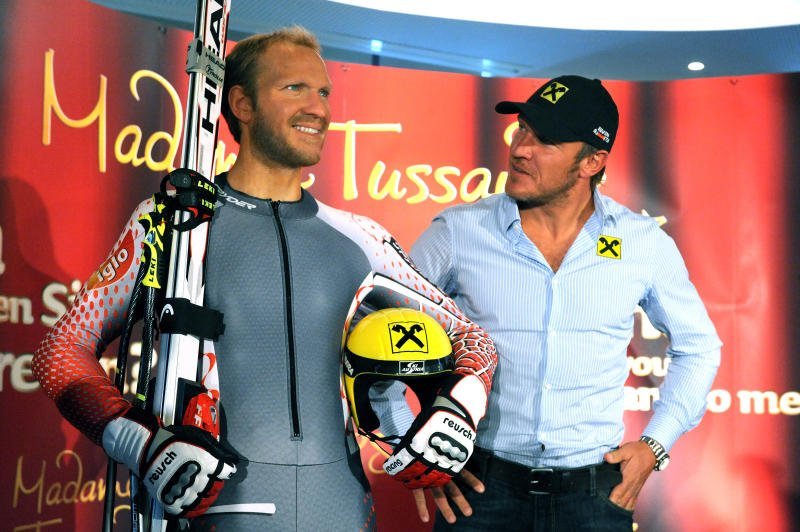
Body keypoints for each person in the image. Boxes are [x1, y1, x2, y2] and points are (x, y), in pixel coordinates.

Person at [32, 26, 496, 530]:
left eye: (323, 92)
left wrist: (456, 410)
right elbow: (60, 352)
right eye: (294, 88)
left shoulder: (360, 237)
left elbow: (472, 340)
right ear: (242, 104)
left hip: (341, 507)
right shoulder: (173, 223)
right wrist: (141, 442)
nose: (318, 108)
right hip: (214, 508)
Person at [409, 75, 721, 530]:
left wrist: (655, 445)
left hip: (594, 497)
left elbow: (699, 348)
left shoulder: (642, 242)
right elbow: (382, 331)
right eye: (522, 129)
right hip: (479, 490)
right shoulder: (458, 231)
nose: (520, 149)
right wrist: (412, 444)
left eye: (546, 140)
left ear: (592, 161)